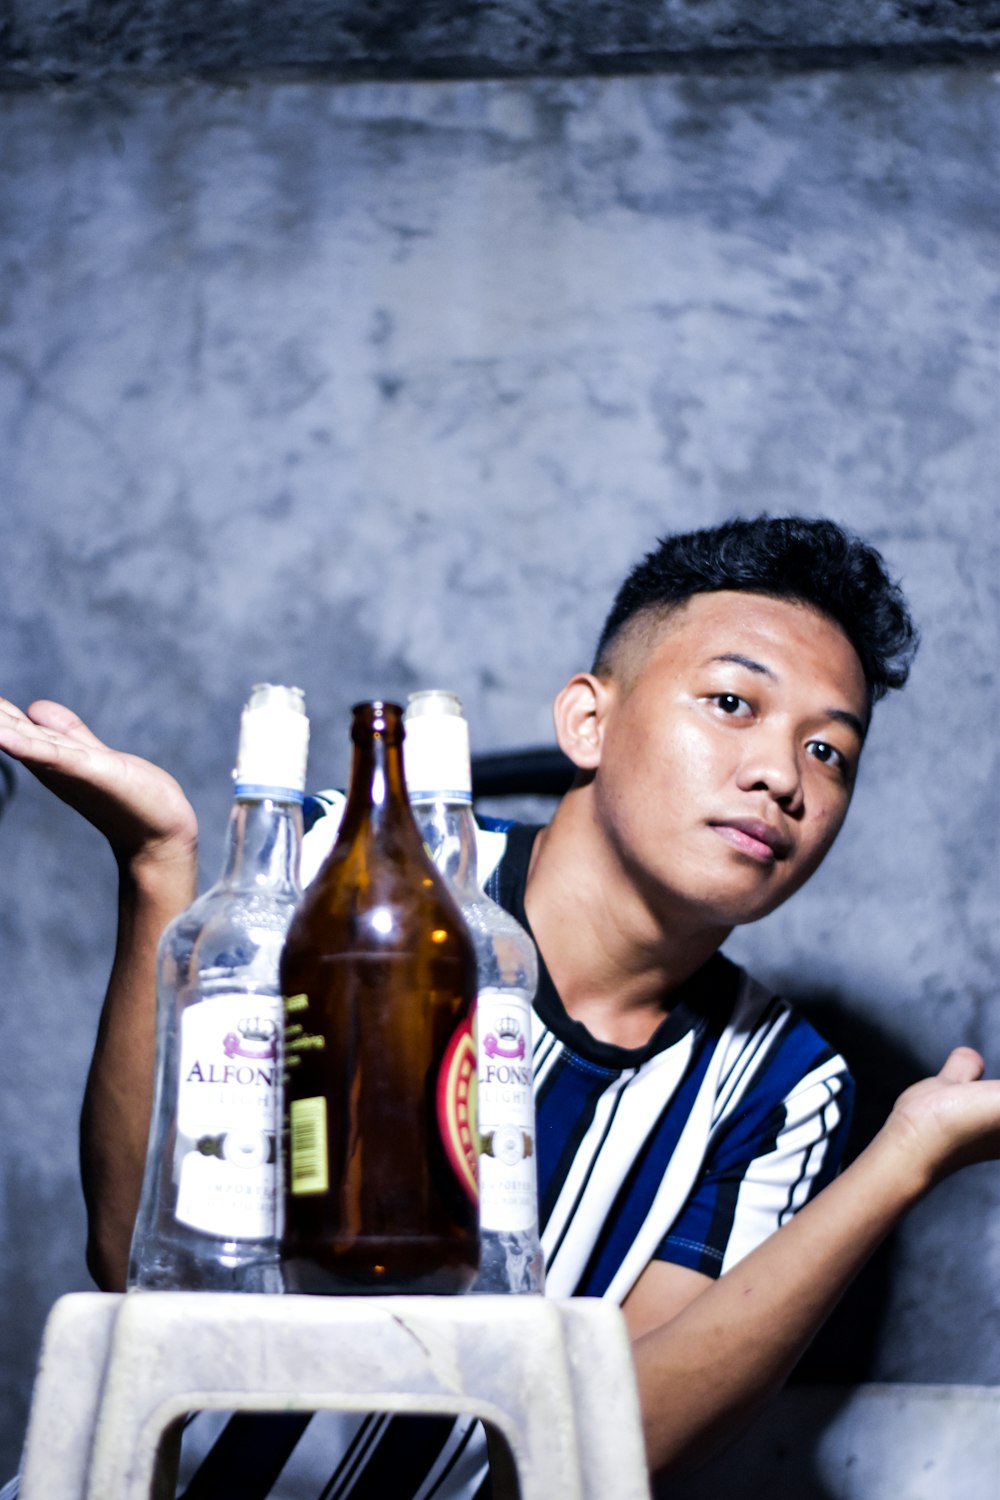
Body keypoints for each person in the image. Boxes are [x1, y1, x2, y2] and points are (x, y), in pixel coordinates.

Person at [2, 515, 999, 1500]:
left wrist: (902, 1161)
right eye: (733, 702)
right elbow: (131, 1256)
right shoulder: (324, 874)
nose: (781, 776)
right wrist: (157, 870)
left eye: (830, 752)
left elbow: (620, 1443)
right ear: (588, 722)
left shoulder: (781, 1088)